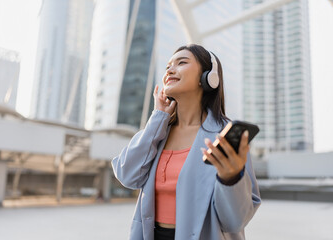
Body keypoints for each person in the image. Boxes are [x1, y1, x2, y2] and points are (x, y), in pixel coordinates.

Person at [112, 44, 261, 240]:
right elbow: (127, 175)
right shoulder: (159, 132)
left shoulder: (223, 136)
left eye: (182, 62)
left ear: (208, 77)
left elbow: (235, 221)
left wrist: (230, 179)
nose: (170, 70)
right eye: (167, 67)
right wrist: (157, 118)